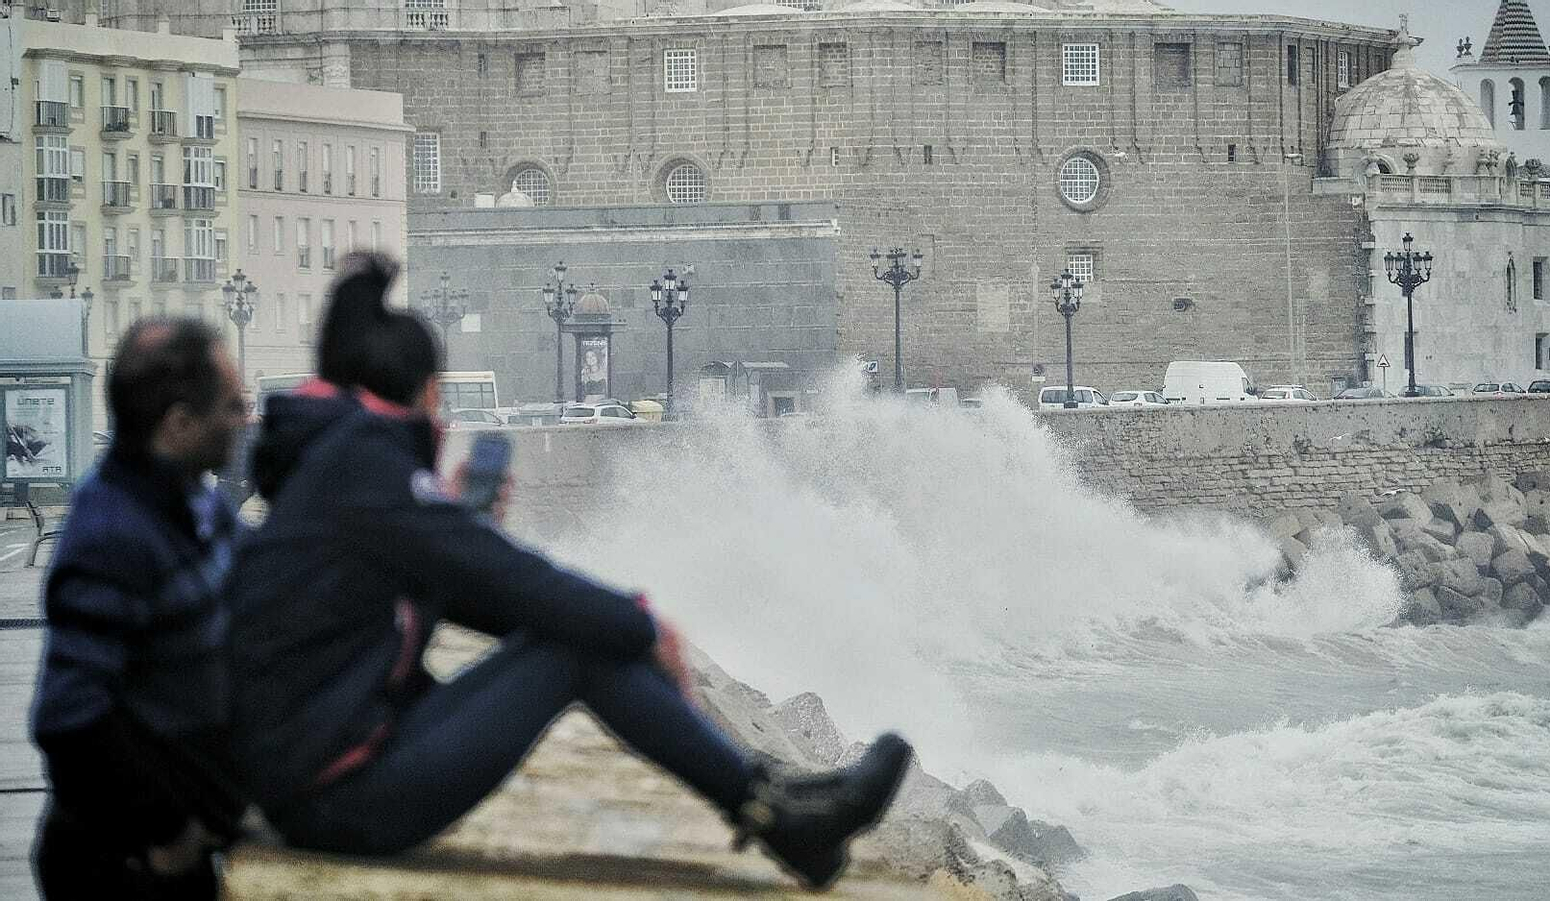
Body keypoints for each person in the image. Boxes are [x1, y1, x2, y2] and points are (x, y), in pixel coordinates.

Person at [226, 253, 911, 890]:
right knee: (576, 647)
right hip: (339, 794)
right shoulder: (365, 469)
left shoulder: (329, 465)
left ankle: (780, 804)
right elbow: (522, 586)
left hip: (326, 769)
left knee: (579, 634)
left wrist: (461, 531)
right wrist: (643, 622)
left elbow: (477, 593)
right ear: (427, 393)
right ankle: (779, 815)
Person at [30, 318, 250, 900]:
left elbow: (266, 579)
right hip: (125, 865)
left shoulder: (195, 498)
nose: (244, 419)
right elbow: (69, 719)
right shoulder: (112, 536)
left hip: (179, 847)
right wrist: (168, 831)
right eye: (233, 405)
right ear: (178, 424)